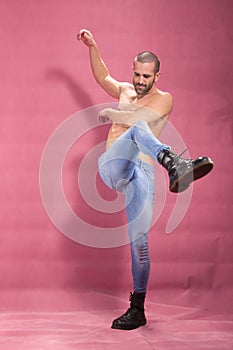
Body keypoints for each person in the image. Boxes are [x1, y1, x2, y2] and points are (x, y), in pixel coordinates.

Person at [77, 29, 213, 330]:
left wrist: (114, 112)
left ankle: (137, 309)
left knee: (140, 245)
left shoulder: (164, 100)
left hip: (143, 171)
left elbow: (142, 120)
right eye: (136, 74)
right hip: (114, 164)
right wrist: (93, 47)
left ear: (157, 76)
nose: (139, 81)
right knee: (137, 128)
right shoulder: (125, 89)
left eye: (146, 77)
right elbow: (104, 79)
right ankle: (176, 164)